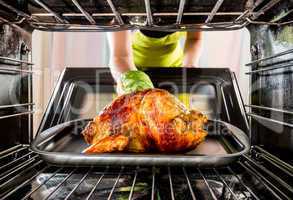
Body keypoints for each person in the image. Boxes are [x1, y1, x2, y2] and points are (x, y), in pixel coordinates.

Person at [107, 30, 202, 94]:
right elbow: (120, 56)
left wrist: (189, 65)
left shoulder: (192, 5)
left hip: (175, 67)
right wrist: (133, 84)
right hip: (132, 70)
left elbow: (194, 38)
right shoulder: (122, 6)